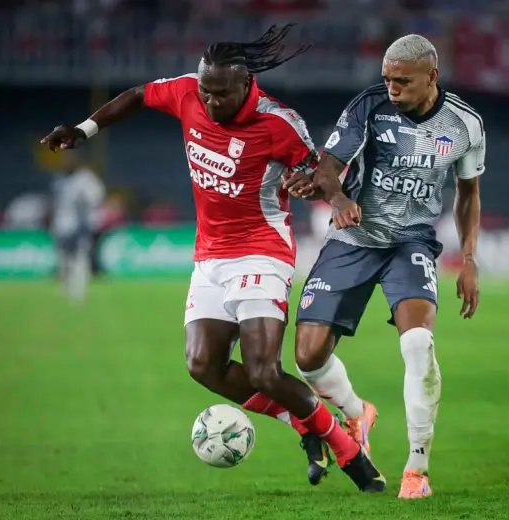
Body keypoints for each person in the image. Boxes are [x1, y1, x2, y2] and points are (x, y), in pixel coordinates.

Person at [40, 24, 385, 493]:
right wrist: (84, 129)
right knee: (204, 365)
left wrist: (329, 195)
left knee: (264, 369)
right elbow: (140, 95)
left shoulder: (278, 123)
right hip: (210, 256)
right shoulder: (187, 92)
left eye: (221, 95)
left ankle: (349, 453)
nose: (209, 103)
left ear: (246, 85)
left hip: (262, 252)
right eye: (205, 92)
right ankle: (308, 424)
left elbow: (316, 172)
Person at [285, 34, 483, 499]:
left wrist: (469, 259)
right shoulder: (370, 106)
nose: (392, 87)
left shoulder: (464, 125)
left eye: (402, 81)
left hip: (410, 241)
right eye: (387, 79)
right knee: (307, 357)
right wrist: (336, 197)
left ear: (432, 77)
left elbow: (469, 193)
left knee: (418, 342)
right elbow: (328, 165)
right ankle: (357, 412)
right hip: (352, 235)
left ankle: (417, 469)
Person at [50, 151, 105, 304]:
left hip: (81, 225)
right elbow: (56, 201)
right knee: (63, 258)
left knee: (80, 258)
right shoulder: (59, 179)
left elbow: (97, 196)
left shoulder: (86, 179)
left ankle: (79, 291)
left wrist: (85, 201)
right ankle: (64, 286)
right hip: (62, 225)